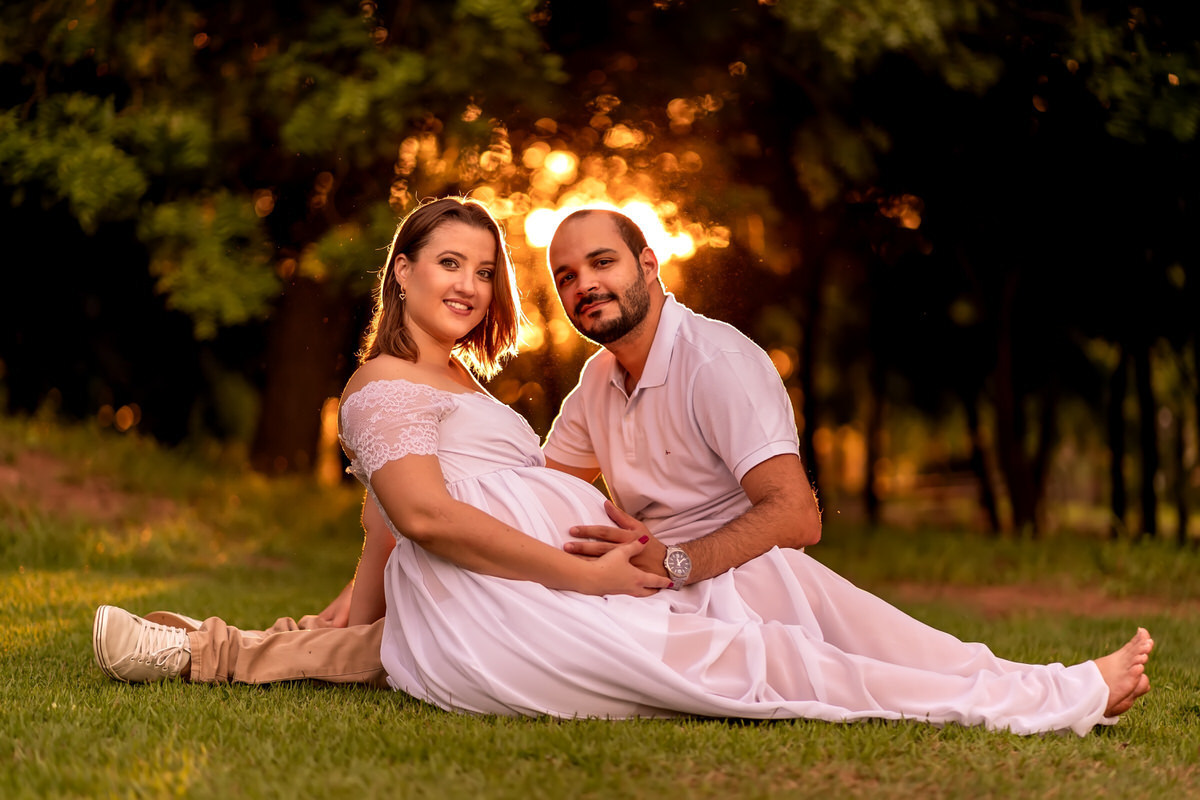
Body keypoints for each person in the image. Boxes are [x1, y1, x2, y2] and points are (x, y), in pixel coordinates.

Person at [94, 198, 1152, 735]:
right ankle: (1056, 695)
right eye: (446, 262)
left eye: (484, 266)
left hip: (568, 582)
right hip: (533, 600)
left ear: (649, 266)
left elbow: (410, 508)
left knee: (795, 602)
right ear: (401, 271)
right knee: (768, 663)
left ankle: (1032, 681)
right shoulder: (382, 385)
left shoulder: (483, 390)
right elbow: (418, 518)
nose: (468, 282)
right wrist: (592, 573)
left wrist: (350, 606)